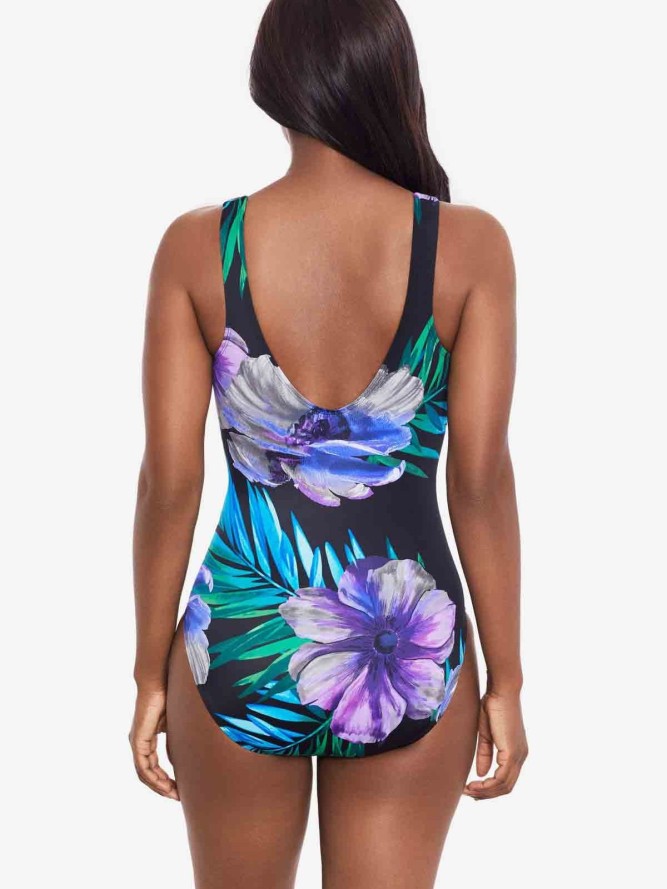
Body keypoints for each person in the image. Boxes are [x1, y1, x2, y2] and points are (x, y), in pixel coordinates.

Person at [129, 1, 528, 886]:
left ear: (271, 83)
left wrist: (149, 671)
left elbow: (169, 484)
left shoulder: (199, 248)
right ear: (393, 75)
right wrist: (505, 677)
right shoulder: (467, 246)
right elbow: (479, 482)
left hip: (239, 640)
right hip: (411, 644)